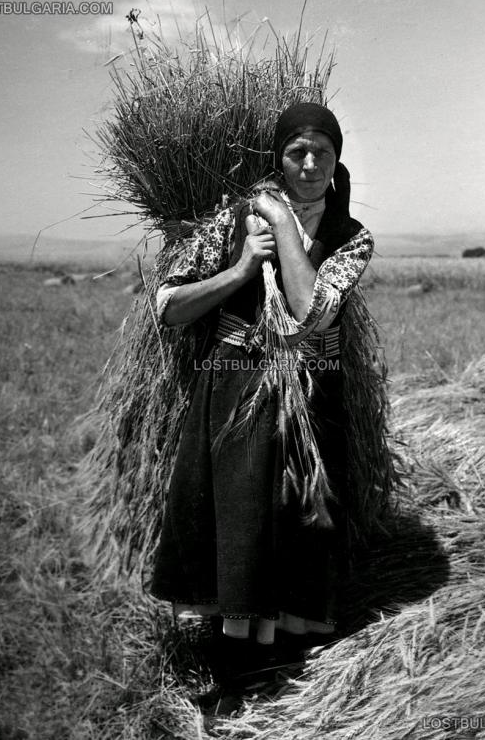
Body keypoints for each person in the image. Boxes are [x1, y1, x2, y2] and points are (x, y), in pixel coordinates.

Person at [149, 102, 381, 687]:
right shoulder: (232, 221)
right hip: (236, 380)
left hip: (312, 386)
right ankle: (229, 660)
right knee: (241, 509)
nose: (310, 164)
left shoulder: (351, 238)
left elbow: (312, 313)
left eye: (322, 153)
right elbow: (167, 306)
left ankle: (286, 657)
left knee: (299, 513)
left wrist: (279, 219)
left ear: (337, 159)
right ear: (279, 158)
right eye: (297, 152)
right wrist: (241, 269)